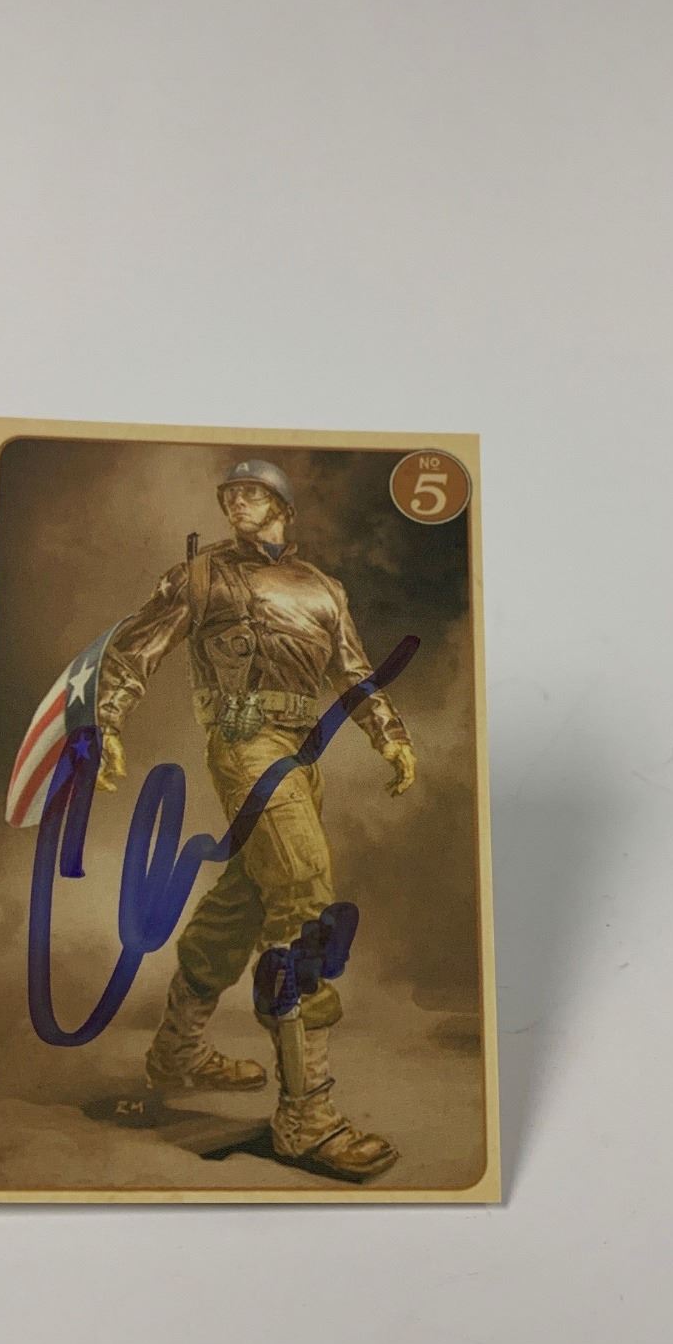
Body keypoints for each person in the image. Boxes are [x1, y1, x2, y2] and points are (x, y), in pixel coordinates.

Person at [94, 459, 416, 1181]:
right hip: (245, 744)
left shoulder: (323, 589)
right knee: (302, 898)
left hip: (302, 754)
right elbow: (135, 648)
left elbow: (353, 671)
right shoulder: (202, 575)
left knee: (243, 902)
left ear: (282, 506)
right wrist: (106, 721)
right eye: (231, 494)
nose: (239, 502)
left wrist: (389, 734)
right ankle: (307, 1117)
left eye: (254, 493)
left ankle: (176, 1052)